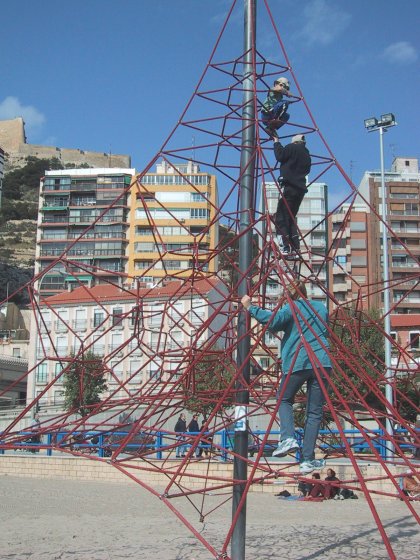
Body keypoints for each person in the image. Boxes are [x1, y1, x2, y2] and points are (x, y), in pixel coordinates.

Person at [241, 279, 331, 475]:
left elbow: (273, 321)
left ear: (289, 295)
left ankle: (288, 437)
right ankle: (307, 459)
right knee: (314, 413)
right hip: (323, 362)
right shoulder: (321, 308)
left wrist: (250, 307)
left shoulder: (293, 307)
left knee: (283, 398)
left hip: (299, 361)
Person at [271, 134, 311, 257]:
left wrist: (276, 142)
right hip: (300, 189)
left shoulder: (292, 147)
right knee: (291, 218)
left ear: (295, 142)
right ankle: (295, 248)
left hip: (289, 186)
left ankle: (285, 247)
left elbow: (280, 155)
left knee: (281, 218)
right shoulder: (306, 154)